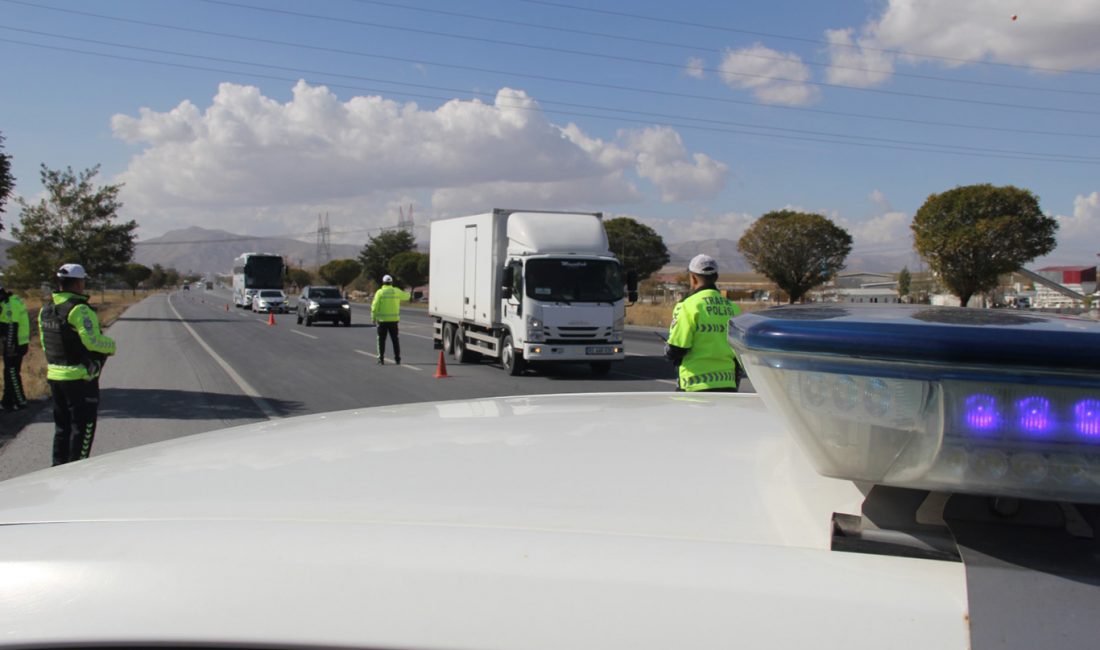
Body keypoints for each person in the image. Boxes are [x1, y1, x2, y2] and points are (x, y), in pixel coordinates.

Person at [39, 263, 116, 465]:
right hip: (80, 378)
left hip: (55, 376)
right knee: (83, 430)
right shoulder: (79, 310)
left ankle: (57, 469)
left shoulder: (46, 310)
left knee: (62, 428)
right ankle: (77, 473)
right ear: (79, 283)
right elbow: (93, 341)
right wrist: (111, 346)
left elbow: (45, 342)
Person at [664, 254, 742, 392]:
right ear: (716, 277)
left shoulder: (687, 306)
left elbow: (677, 348)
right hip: (727, 382)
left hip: (694, 385)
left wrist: (667, 350)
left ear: (693, 278)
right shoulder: (733, 308)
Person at [0, 276, 30, 411]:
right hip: (16, 343)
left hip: (15, 344)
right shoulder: (10, 300)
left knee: (12, 372)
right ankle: (7, 401)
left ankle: (20, 400)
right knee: (8, 372)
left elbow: (12, 327)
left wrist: (9, 347)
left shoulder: (8, 304)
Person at [371, 274, 410, 365]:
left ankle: (381, 359)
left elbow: (374, 305)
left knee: (381, 340)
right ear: (391, 282)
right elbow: (407, 297)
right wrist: (407, 291)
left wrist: (373, 317)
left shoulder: (380, 292)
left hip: (382, 321)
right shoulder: (396, 291)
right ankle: (397, 359)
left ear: (383, 283)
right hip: (393, 321)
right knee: (395, 340)